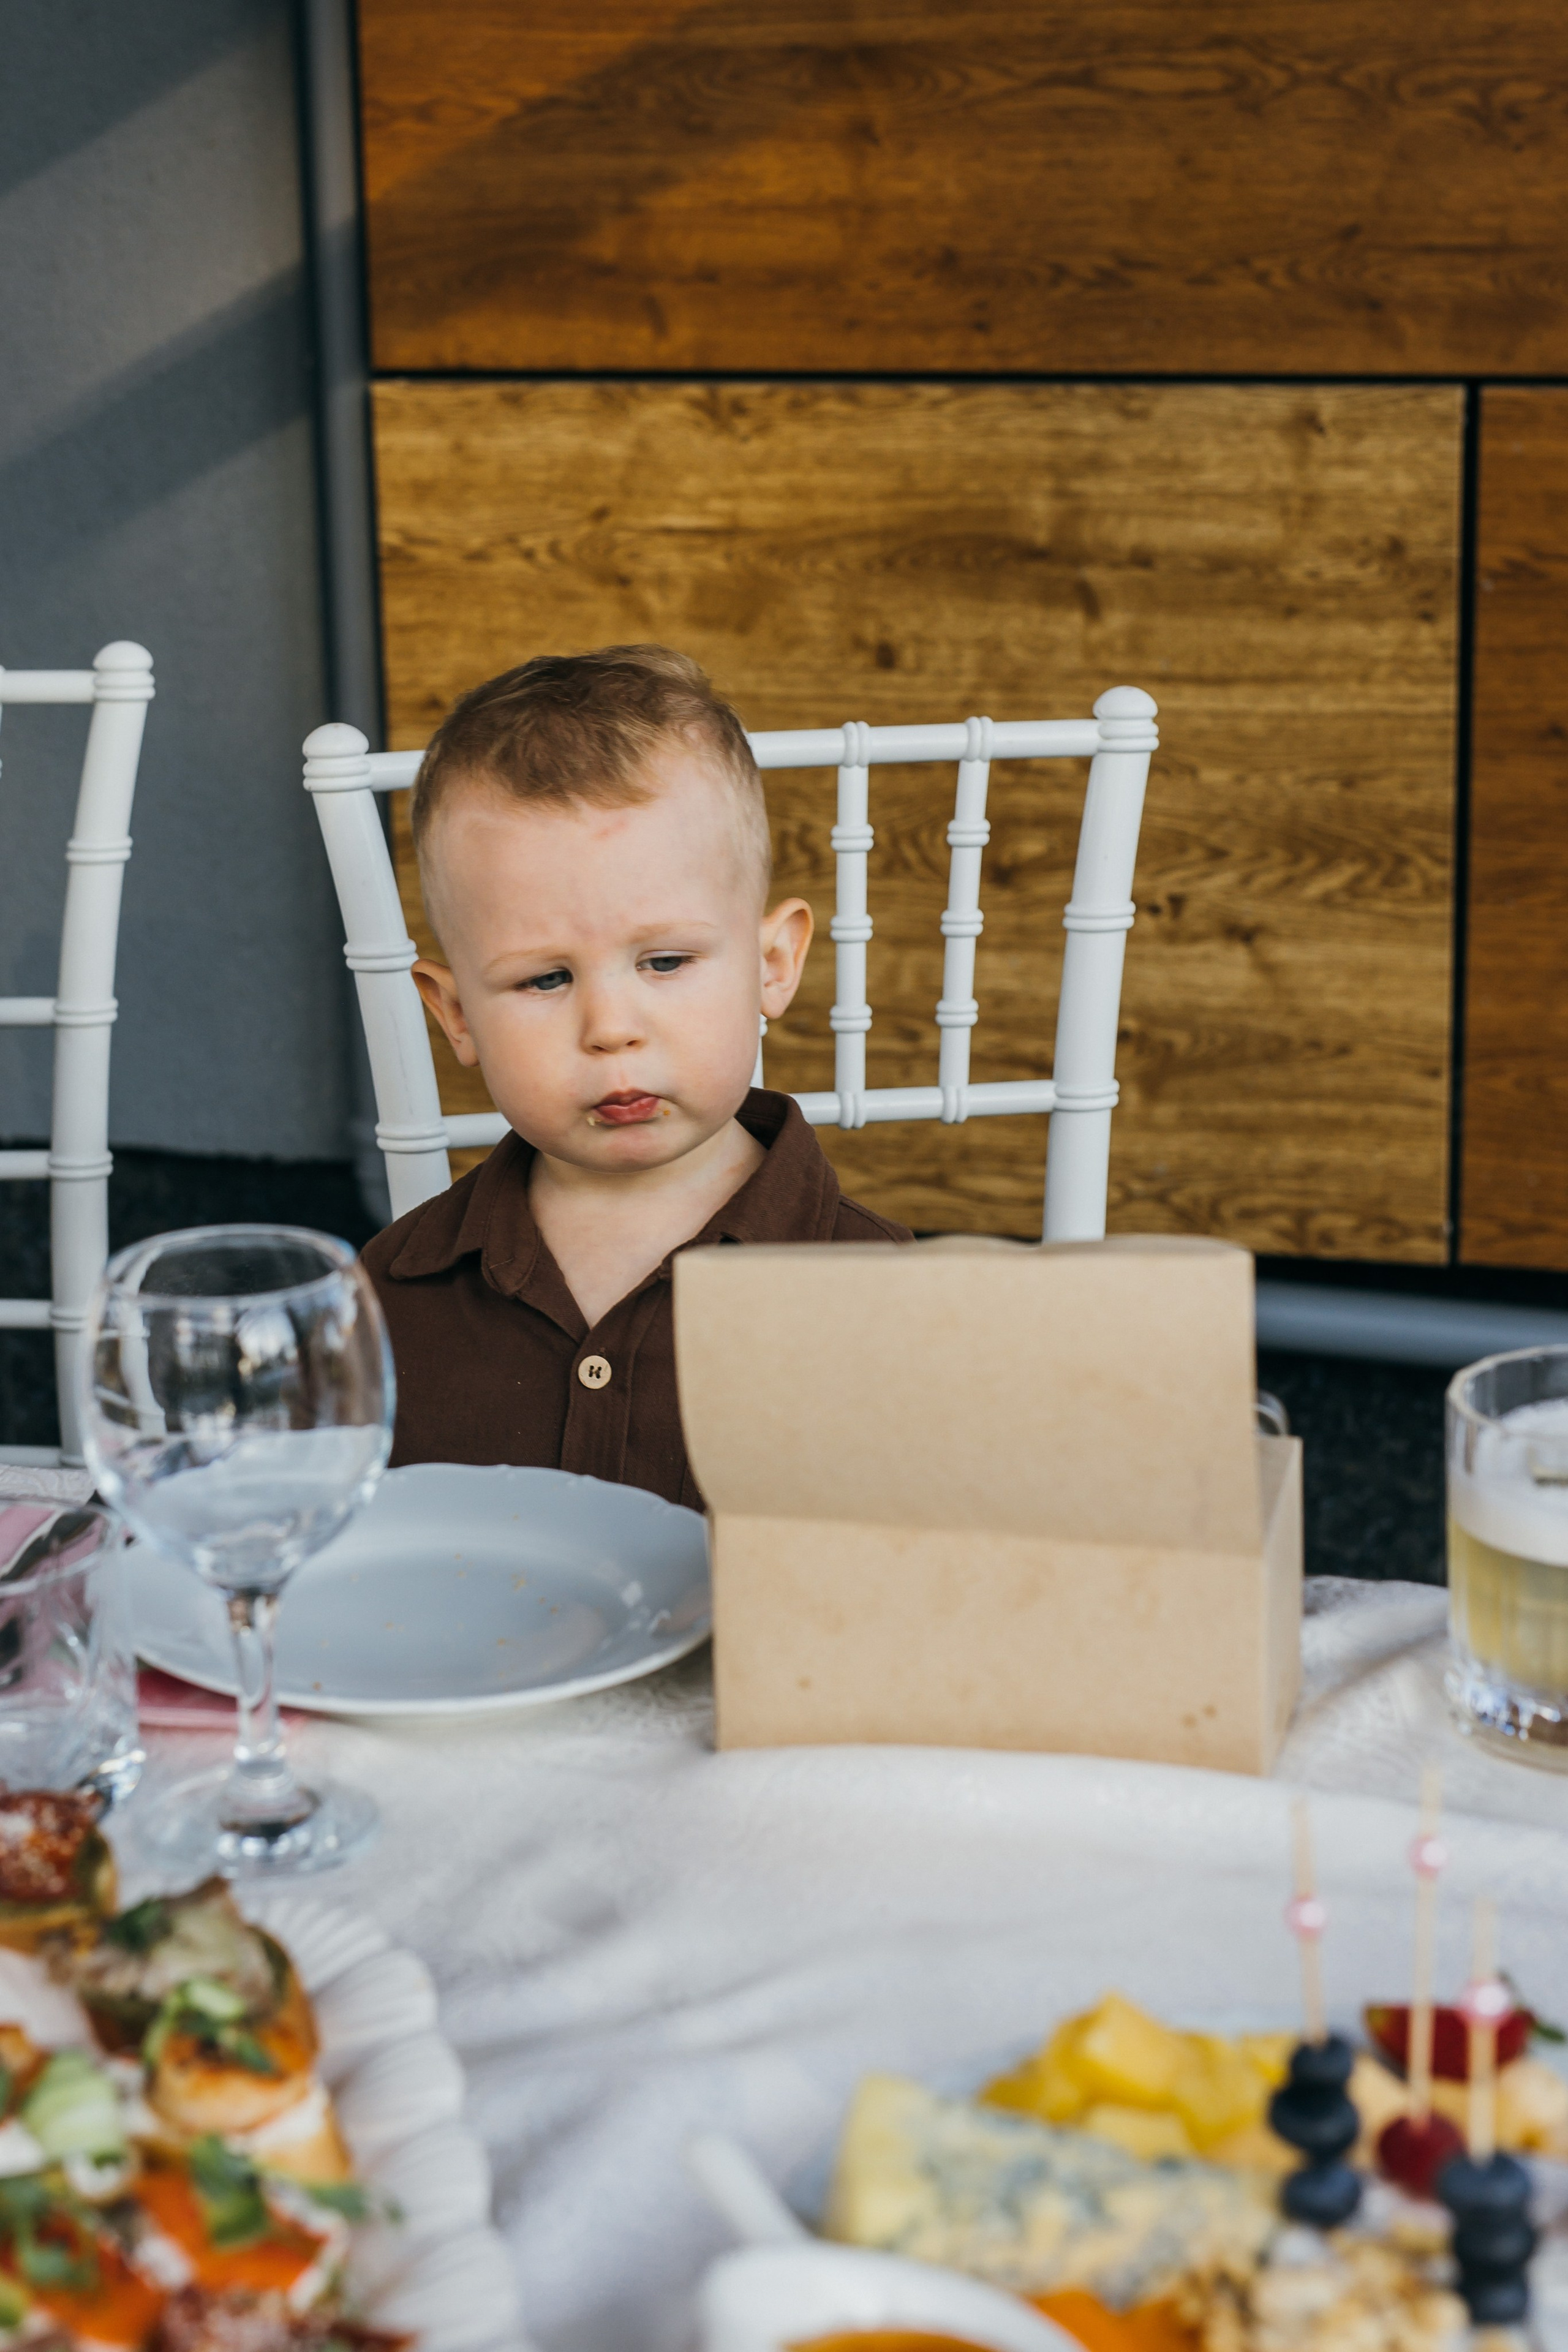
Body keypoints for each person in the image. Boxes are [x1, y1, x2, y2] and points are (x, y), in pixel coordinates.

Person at [361, 644, 910, 1508]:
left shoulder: (888, 1302)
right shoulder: (392, 1298)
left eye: (663, 961)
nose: (611, 1029)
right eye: (545, 979)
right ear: (457, 1014)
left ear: (772, 964)